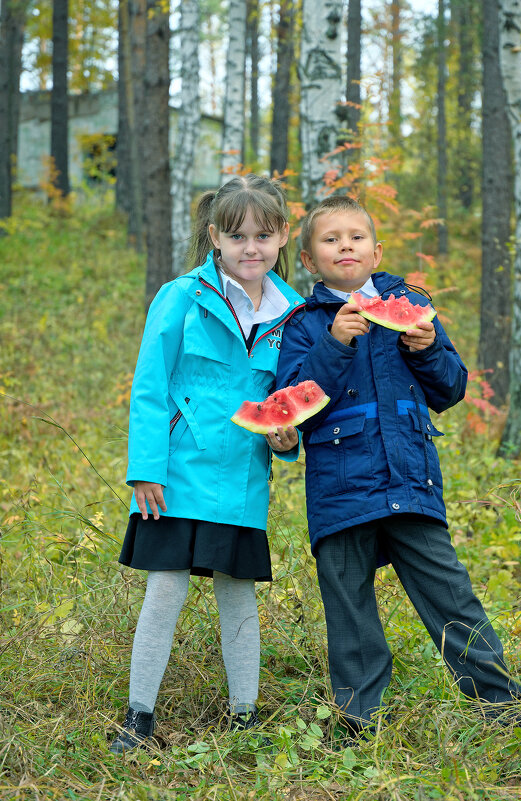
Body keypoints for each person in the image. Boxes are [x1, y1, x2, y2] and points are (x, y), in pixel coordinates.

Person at [275, 195, 521, 737]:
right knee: (349, 610)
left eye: (356, 237)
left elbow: (452, 388)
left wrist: (428, 347)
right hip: (341, 490)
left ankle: (503, 704)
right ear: (307, 259)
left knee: (450, 596)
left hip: (410, 480)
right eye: (330, 239)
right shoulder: (301, 325)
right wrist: (334, 344)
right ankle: (356, 721)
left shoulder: (411, 304)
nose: (345, 245)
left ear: (376, 251)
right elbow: (292, 404)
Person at [110, 174, 305, 754]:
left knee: (238, 593)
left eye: (264, 236)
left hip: (243, 479)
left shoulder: (294, 313)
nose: (252, 248)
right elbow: (149, 387)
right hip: (175, 474)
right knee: (164, 591)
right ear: (215, 236)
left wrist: (285, 442)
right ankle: (138, 717)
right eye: (239, 235)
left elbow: (289, 401)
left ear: (283, 237)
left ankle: (244, 716)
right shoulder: (180, 297)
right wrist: (146, 468)